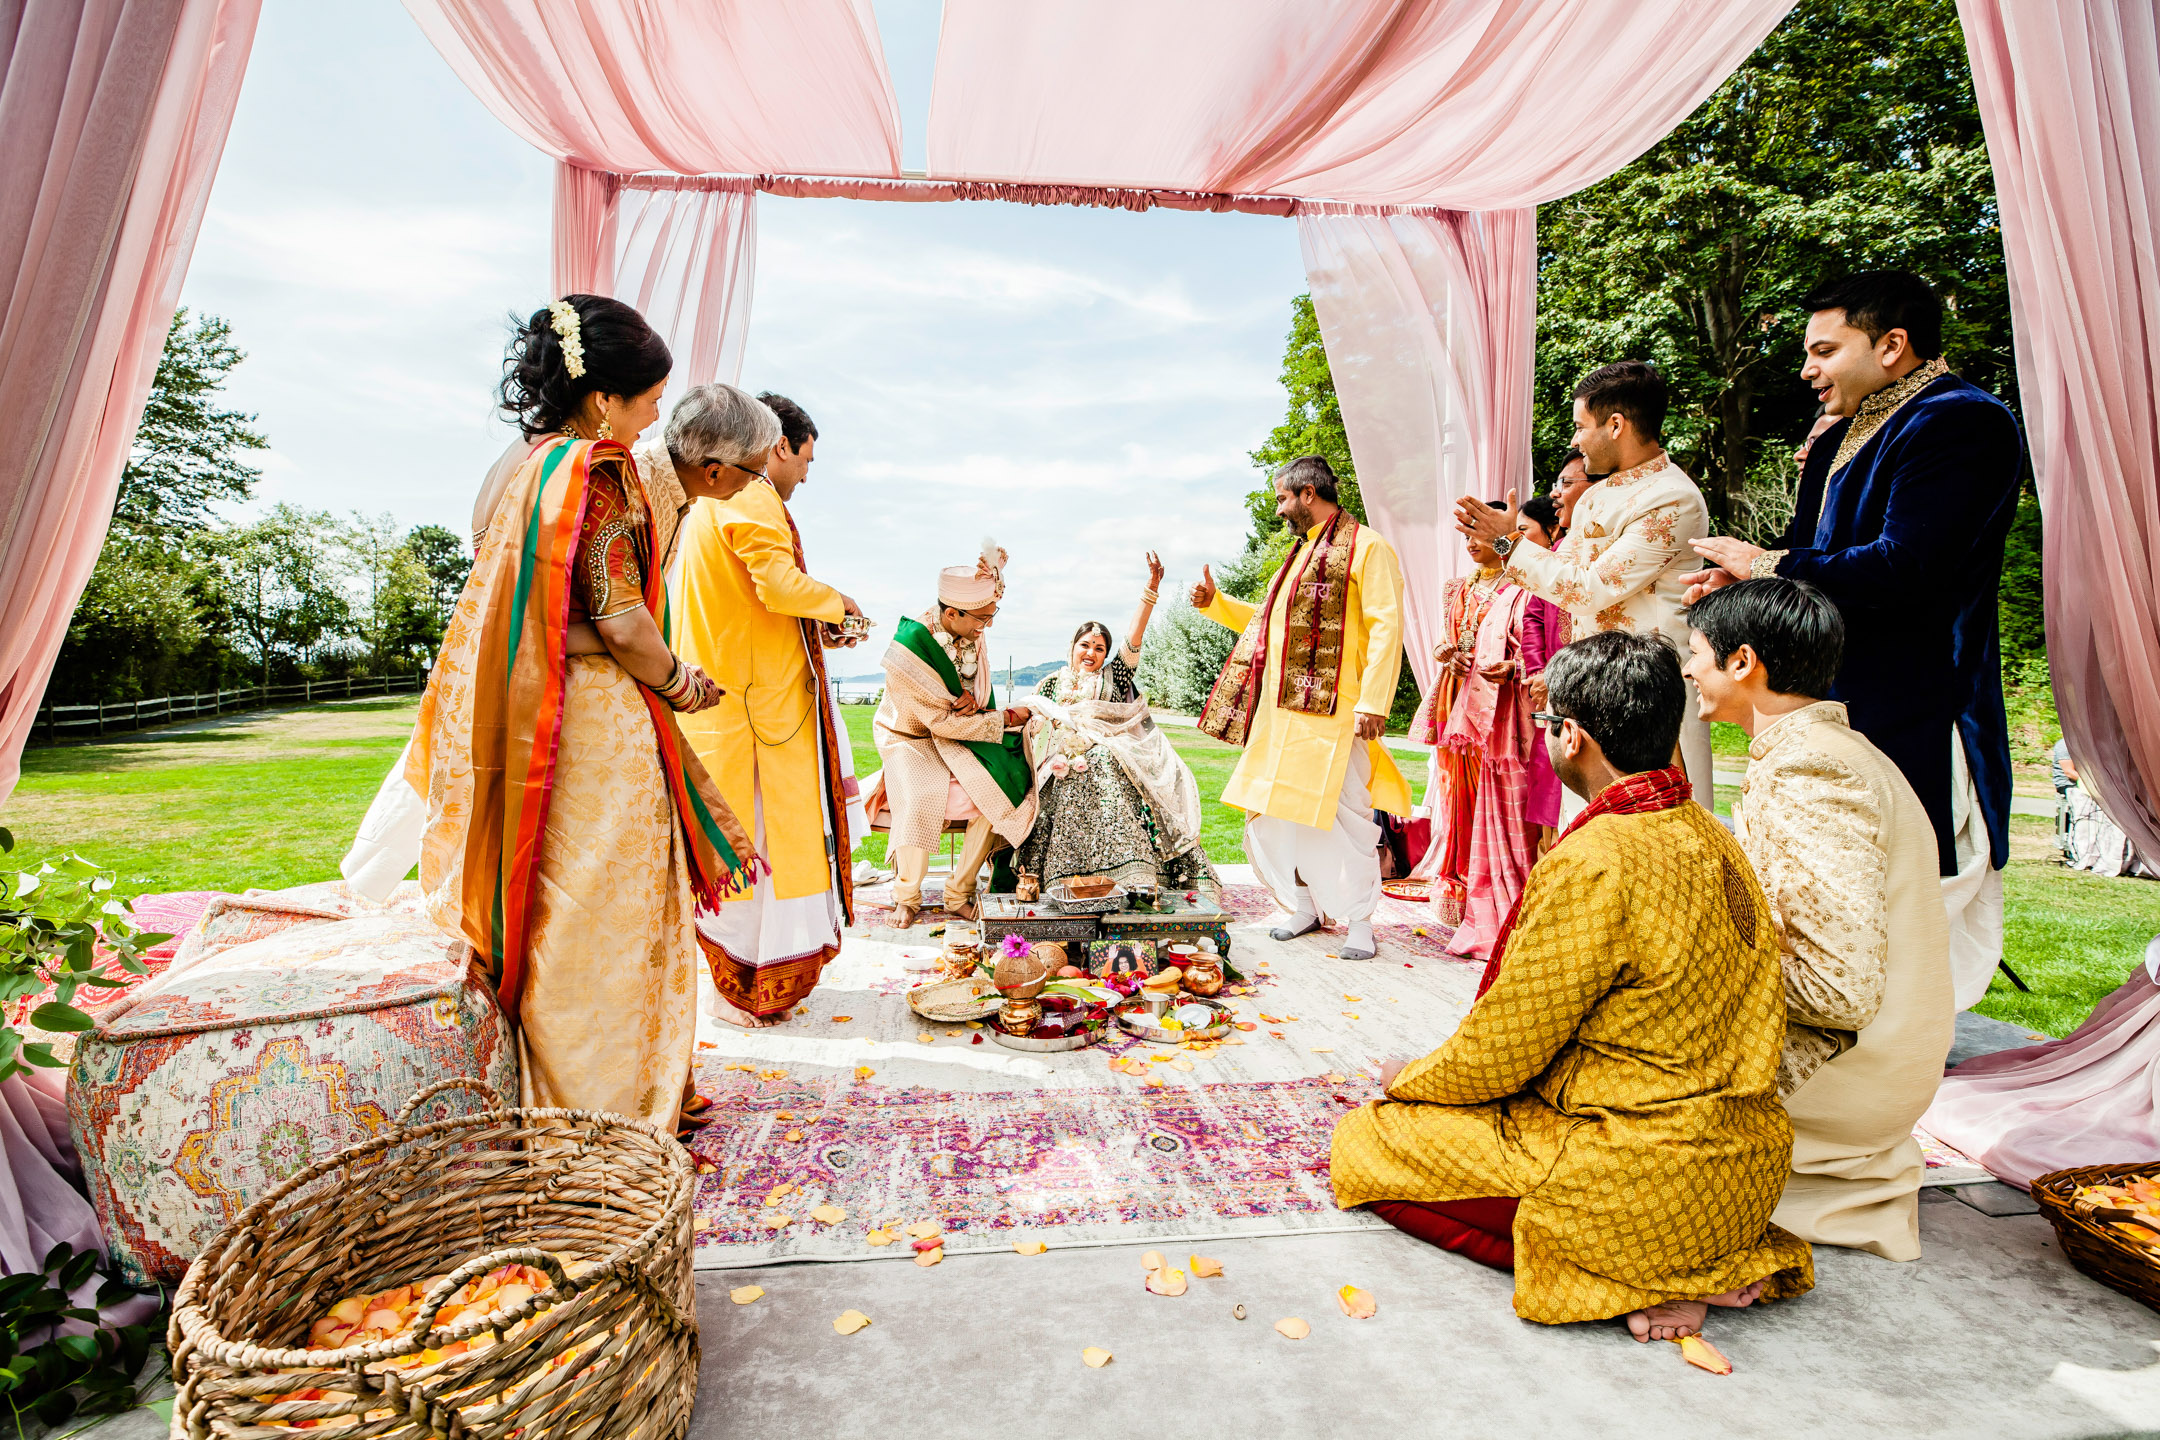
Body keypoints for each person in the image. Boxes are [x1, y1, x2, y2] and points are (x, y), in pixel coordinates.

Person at [1331, 631, 1814, 1339]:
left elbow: (1506, 1048)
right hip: (1744, 1172)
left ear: (1573, 737)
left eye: (1545, 721)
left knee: (1367, 1140)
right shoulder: (1712, 835)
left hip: (1635, 1176)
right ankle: (1707, 1258)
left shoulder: (1597, 857)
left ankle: (1638, 1276)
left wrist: (1412, 1078)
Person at [408, 296, 760, 1135]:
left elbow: (521, 607)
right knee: (609, 922)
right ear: (604, 398)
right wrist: (681, 685)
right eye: (646, 402)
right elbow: (622, 624)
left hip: (532, 716)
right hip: (593, 728)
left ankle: (606, 1100)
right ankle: (609, 1118)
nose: (651, 423)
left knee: (560, 918)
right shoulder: (594, 473)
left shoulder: (520, 466)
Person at [1684, 271, 2023, 1010]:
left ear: (1893, 345)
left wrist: (1766, 563)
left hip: (1919, 694)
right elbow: (1814, 562)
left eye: (1824, 350)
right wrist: (1743, 591)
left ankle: (1905, 1035)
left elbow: (1911, 564)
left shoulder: (1963, 420)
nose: (1807, 370)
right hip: (1838, 694)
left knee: (1914, 864)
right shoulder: (1846, 430)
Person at [1683, 577, 1953, 1261]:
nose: (1687, 668)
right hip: (1877, 1059)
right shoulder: (1835, 753)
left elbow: (1838, 991)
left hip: (1853, 1072)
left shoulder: (1811, 769)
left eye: (1696, 652)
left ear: (1743, 663)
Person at [665, 386, 864, 1030]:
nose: (807, 471)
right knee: (757, 861)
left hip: (730, 707)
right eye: (807, 457)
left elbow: (757, 598)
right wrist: (839, 604)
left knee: (746, 859)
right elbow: (777, 586)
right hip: (755, 717)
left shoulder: (711, 500)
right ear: (779, 445)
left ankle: (743, 989)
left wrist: (820, 622)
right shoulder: (750, 495)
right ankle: (743, 992)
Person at [1453, 362, 1715, 813]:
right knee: (1592, 831)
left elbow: (1589, 589)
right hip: (1590, 687)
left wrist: (1507, 540)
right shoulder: (1597, 494)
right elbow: (1560, 578)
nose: (1575, 440)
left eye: (1580, 426)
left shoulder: (1673, 497)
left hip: (1648, 692)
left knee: (1657, 836)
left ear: (1616, 425)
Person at [1192, 456, 1409, 961]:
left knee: (1346, 818)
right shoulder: (1299, 555)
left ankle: (1360, 921)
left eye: (1283, 499)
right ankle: (1306, 907)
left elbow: (1386, 627)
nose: (1280, 510)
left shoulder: (1367, 548)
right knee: (1278, 817)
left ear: (1308, 493)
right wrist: (1215, 603)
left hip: (1336, 716)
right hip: (1280, 717)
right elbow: (1270, 624)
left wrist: (1375, 701)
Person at [1411, 502, 1569, 954]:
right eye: (1467, 536)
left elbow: (1539, 641)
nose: (1473, 543)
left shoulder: (1524, 582)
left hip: (1507, 705)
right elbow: (1445, 636)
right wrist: (1448, 654)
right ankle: (1461, 885)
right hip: (1457, 698)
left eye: (1481, 533)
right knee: (1457, 797)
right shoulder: (1455, 587)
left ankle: (1508, 890)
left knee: (1501, 797)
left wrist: (1516, 666)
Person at [1014, 553, 1215, 895]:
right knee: (1062, 777)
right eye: (1085, 645)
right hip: (1058, 763)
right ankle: (1058, 877)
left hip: (1112, 757)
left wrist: (1150, 589)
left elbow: (1134, 639)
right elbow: (1029, 722)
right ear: (1072, 647)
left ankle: (1131, 873)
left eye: (1099, 648)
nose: (1091, 653)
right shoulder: (1051, 682)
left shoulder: (1114, 676)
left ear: (1106, 655)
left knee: (1102, 761)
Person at [869, 541, 1037, 928]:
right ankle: (906, 897)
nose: (986, 627)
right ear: (950, 613)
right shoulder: (910, 651)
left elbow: (970, 697)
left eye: (991, 617)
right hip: (909, 736)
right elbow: (941, 722)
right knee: (918, 796)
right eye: (981, 618)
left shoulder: (971, 630)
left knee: (998, 790)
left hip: (956, 733)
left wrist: (975, 703)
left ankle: (958, 892)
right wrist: (1008, 716)